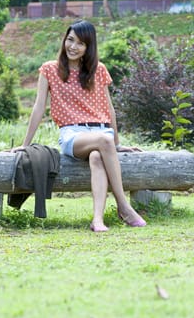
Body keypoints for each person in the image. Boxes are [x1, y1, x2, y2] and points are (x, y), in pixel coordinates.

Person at [11, 19, 146, 232]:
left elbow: (110, 110)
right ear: (65, 39)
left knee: (97, 157)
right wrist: (24, 144)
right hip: (73, 134)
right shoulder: (49, 69)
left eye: (80, 43)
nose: (73, 47)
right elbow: (38, 108)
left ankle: (98, 220)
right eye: (70, 40)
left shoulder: (99, 70)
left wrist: (116, 144)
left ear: (88, 47)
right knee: (103, 141)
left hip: (102, 132)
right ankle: (123, 205)